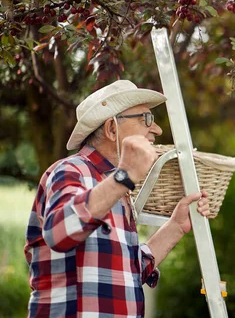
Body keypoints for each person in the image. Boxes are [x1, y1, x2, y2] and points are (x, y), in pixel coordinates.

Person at [24, 80, 211, 317]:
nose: (156, 130)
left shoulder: (114, 188)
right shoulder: (70, 171)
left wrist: (175, 227)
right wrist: (125, 176)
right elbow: (60, 231)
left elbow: (127, 272)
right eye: (146, 119)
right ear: (112, 128)